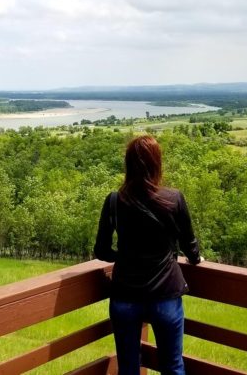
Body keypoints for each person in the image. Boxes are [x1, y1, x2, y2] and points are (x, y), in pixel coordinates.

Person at [94, 135, 201, 375]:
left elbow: (101, 250)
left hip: (125, 296)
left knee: (129, 368)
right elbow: (189, 244)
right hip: (165, 295)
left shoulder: (114, 201)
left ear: (128, 164)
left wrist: (123, 257)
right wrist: (196, 259)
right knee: (173, 367)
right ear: (156, 164)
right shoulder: (174, 199)